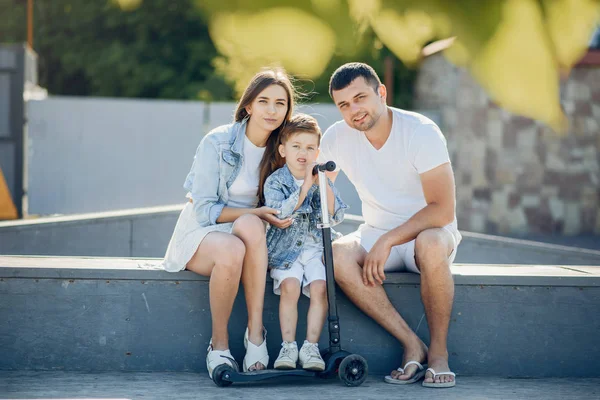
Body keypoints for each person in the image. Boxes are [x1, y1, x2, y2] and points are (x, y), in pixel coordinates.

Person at [318, 62, 462, 388]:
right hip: (376, 230)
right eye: (344, 104)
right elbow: (316, 190)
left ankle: (438, 353)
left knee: (431, 243)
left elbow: (442, 209)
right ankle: (412, 343)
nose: (354, 110)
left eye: (360, 98)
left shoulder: (420, 131)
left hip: (429, 232)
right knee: (336, 254)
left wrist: (389, 241)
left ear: (381, 92)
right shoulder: (337, 137)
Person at [161, 68, 296, 378]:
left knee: (248, 227)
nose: (272, 110)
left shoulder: (283, 149)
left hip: (251, 235)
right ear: (248, 105)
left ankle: (255, 335)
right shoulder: (218, 142)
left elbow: (290, 200)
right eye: (264, 101)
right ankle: (219, 346)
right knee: (236, 243)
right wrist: (255, 214)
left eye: (280, 103)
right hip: (203, 232)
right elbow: (204, 210)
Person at [260, 113, 346, 371]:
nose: (303, 153)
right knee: (290, 288)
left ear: (317, 152)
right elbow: (280, 213)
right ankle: (288, 346)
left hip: (315, 249)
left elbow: (336, 215)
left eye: (310, 148)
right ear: (283, 150)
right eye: (296, 146)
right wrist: (305, 187)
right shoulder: (276, 181)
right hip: (285, 250)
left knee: (320, 289)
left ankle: (311, 347)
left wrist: (324, 184)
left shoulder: (320, 179)